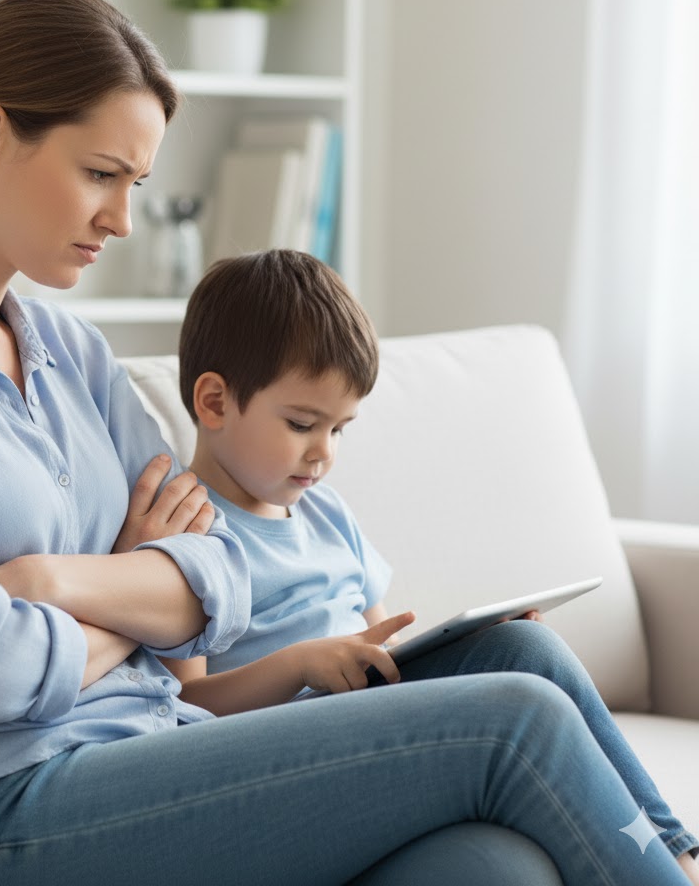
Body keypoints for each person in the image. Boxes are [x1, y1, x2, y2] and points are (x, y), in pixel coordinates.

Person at [0, 0, 695, 886]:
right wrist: (137, 590)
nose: (121, 220)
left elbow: (221, 579)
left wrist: (46, 583)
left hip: (160, 749)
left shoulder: (71, 355)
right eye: (99, 175)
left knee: (494, 862)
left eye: (135, 184)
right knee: (510, 720)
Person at [160, 249, 699, 881]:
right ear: (216, 402)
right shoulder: (187, 526)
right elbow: (182, 710)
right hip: (288, 761)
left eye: (340, 430)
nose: (323, 454)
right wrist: (300, 663)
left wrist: (467, 647)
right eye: (303, 424)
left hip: (376, 726)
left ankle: (677, 855)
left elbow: (386, 655)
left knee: (524, 647)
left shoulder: (327, 515)